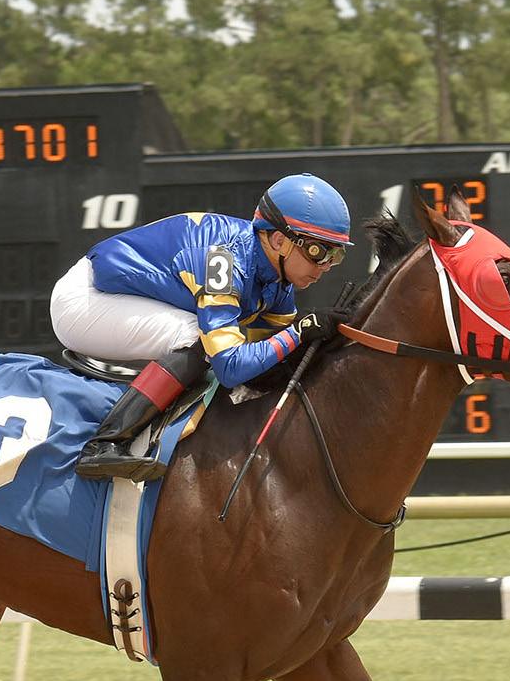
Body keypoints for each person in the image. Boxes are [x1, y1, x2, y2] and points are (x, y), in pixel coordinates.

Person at [50, 173, 352, 481]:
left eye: (336, 254)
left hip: (123, 297)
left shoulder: (279, 282)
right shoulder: (224, 261)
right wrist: (298, 331)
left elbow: (273, 355)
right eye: (318, 251)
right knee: (197, 338)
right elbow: (230, 367)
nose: (326, 266)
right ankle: (104, 444)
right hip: (86, 300)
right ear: (278, 240)